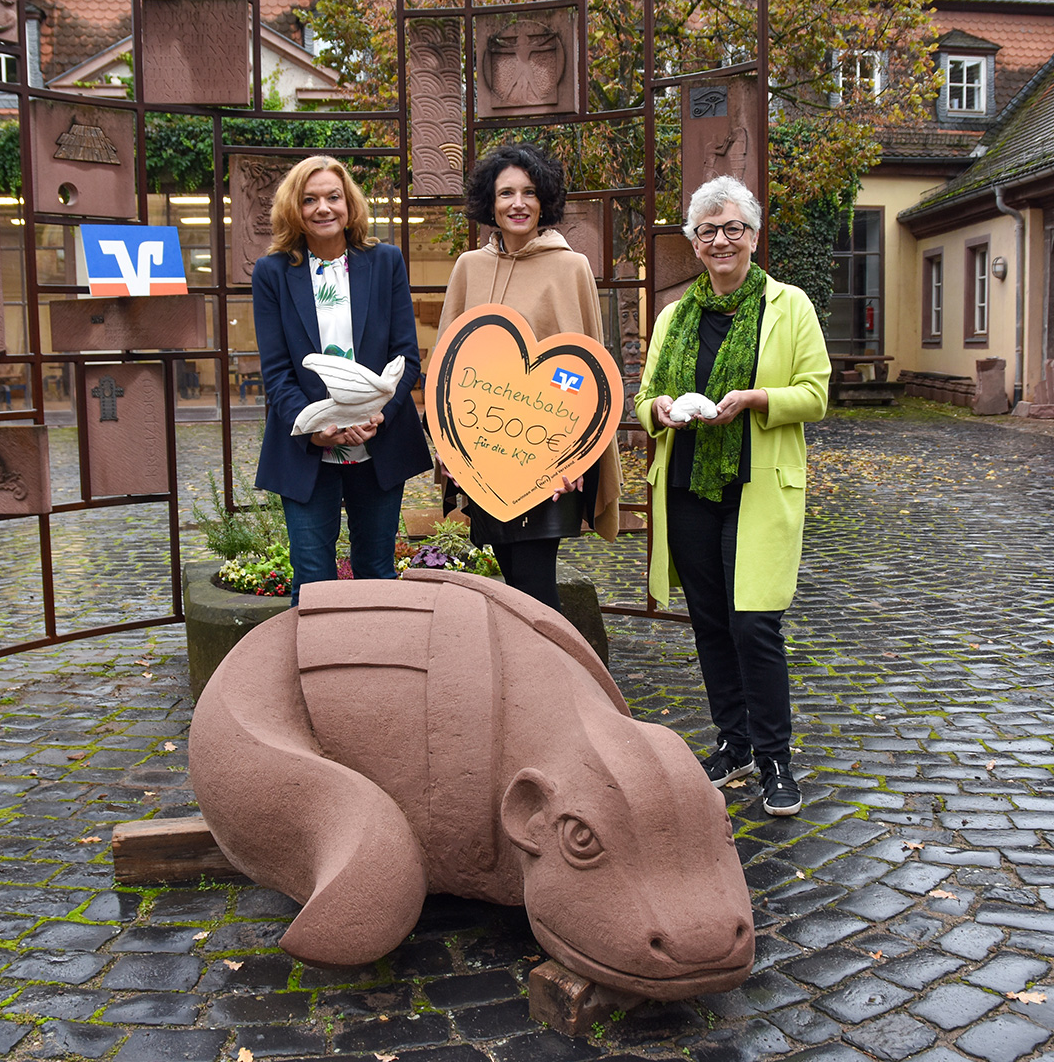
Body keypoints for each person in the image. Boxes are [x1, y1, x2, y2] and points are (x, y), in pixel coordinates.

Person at [634, 175, 830, 817]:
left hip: (756, 487)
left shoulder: (788, 305)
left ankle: (776, 757)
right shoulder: (673, 317)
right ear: (694, 243)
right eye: (708, 231)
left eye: (733, 229)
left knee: (755, 623)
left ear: (753, 235)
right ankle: (734, 742)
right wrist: (659, 409)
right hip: (689, 486)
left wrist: (755, 401)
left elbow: (816, 394)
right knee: (712, 623)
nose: (721, 240)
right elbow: (642, 400)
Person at [436, 142, 621, 612]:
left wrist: (576, 454)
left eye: (529, 193)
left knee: (536, 588)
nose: (518, 203)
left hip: (549, 460)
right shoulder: (468, 268)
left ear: (545, 201)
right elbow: (449, 367)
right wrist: (450, 448)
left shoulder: (570, 267)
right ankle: (533, 681)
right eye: (506, 194)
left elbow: (585, 371)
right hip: (487, 455)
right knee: (513, 584)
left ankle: (555, 681)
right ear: (489, 203)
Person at [253, 156, 432, 604]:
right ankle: (318, 674)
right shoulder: (272, 273)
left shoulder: (385, 262)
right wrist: (315, 428)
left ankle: (380, 670)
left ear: (349, 204)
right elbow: (276, 371)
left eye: (333, 197)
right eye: (309, 199)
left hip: (379, 441)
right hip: (307, 447)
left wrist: (377, 417)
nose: (323, 208)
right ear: (294, 209)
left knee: (377, 573)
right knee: (313, 580)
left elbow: (406, 357)